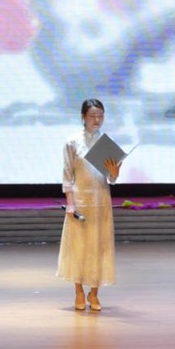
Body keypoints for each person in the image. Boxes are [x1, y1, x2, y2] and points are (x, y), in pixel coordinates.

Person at [57, 99, 121, 312]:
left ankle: (94, 293)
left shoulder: (106, 142)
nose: (97, 120)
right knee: (79, 246)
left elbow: (112, 178)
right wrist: (70, 204)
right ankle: (78, 291)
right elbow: (67, 174)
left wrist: (115, 171)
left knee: (98, 246)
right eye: (93, 116)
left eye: (100, 116)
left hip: (101, 200)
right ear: (83, 117)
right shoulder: (72, 142)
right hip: (80, 199)